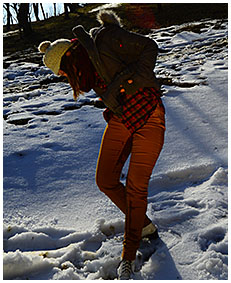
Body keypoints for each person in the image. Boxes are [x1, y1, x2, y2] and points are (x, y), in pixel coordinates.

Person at [38, 10, 165, 280]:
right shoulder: (90, 70)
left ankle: (128, 256)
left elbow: (149, 47)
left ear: (70, 60)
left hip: (149, 114)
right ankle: (143, 227)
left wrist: (131, 82)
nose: (66, 79)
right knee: (105, 179)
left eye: (64, 73)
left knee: (135, 188)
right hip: (122, 117)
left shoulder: (106, 39)